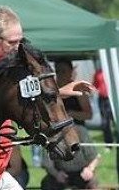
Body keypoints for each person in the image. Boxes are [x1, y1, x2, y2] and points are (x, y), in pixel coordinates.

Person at [0, 6, 96, 190]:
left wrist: (60, 92)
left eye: (21, 42)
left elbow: (21, 96)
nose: (19, 49)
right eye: (13, 42)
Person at [40, 59, 100, 190]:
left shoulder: (78, 91)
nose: (61, 74)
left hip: (77, 130)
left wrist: (70, 114)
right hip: (56, 131)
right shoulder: (52, 91)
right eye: (58, 71)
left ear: (71, 72)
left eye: (64, 71)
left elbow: (88, 115)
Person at [41, 124, 100, 190]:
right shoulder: (51, 135)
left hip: (81, 173)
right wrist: (56, 174)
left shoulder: (81, 131)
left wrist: (90, 169)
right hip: (60, 172)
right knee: (46, 184)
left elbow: (95, 157)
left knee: (93, 183)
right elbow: (47, 163)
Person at [93, 68, 114, 150]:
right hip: (102, 99)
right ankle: (108, 145)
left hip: (113, 98)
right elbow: (94, 85)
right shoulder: (98, 73)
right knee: (105, 123)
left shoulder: (113, 69)